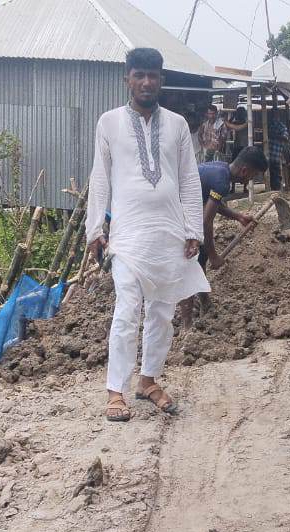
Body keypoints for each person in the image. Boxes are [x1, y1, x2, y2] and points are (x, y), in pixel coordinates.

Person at [86, 47, 208, 422]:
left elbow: (189, 178)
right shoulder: (108, 123)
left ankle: (149, 381)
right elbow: (100, 177)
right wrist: (95, 229)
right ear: (127, 78)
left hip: (170, 234)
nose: (146, 82)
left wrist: (194, 228)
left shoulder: (176, 125)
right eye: (139, 74)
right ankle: (115, 391)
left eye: (153, 75)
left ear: (161, 79)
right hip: (128, 236)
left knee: (162, 312)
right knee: (127, 311)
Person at [197, 146, 268, 270]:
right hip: (174, 209)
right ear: (244, 171)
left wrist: (238, 216)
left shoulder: (222, 168)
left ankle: (200, 286)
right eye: (254, 174)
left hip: (177, 203)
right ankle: (198, 286)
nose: (252, 178)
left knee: (202, 250)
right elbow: (206, 222)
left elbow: (214, 204)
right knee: (199, 249)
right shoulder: (222, 182)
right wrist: (213, 257)